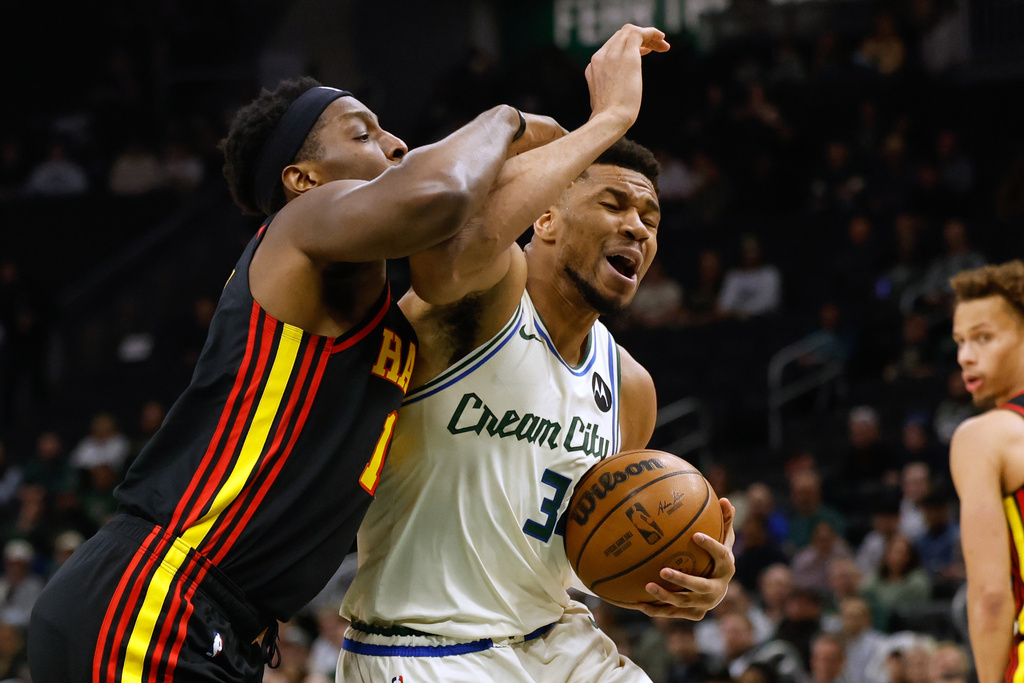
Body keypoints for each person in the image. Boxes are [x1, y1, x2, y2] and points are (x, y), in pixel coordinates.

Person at [27, 68, 564, 680]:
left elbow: (466, 236)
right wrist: (505, 119)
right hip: (155, 602)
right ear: (303, 180)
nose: (396, 146)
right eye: (363, 135)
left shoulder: (386, 323)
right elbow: (441, 198)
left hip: (223, 624)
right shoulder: (298, 229)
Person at [338, 26, 735, 683]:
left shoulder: (629, 385)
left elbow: (587, 548)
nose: (637, 224)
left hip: (556, 642)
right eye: (613, 202)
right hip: (424, 644)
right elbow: (448, 248)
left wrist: (691, 576)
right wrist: (609, 119)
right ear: (544, 219)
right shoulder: (488, 295)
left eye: (652, 217)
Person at [947, 259, 1024, 683]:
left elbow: (991, 596)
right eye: (960, 340)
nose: (965, 357)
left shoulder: (984, 437)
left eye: (983, 338)